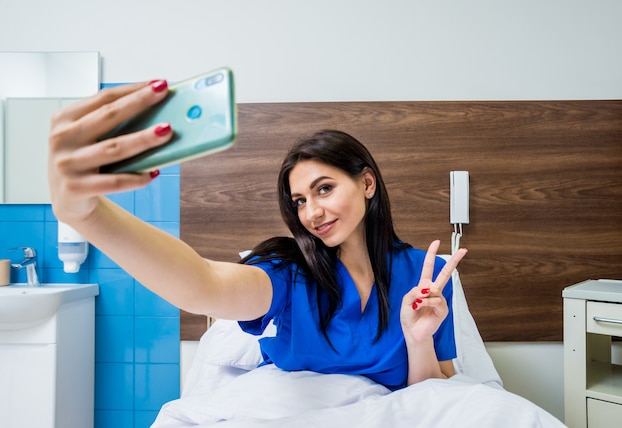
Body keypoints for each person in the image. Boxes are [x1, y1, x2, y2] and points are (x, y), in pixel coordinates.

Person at [48, 79, 467, 391]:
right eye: (299, 200)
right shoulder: (291, 272)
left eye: (324, 189)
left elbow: (433, 397)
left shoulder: (426, 276)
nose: (312, 212)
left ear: (367, 184)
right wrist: (89, 216)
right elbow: (203, 283)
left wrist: (417, 338)